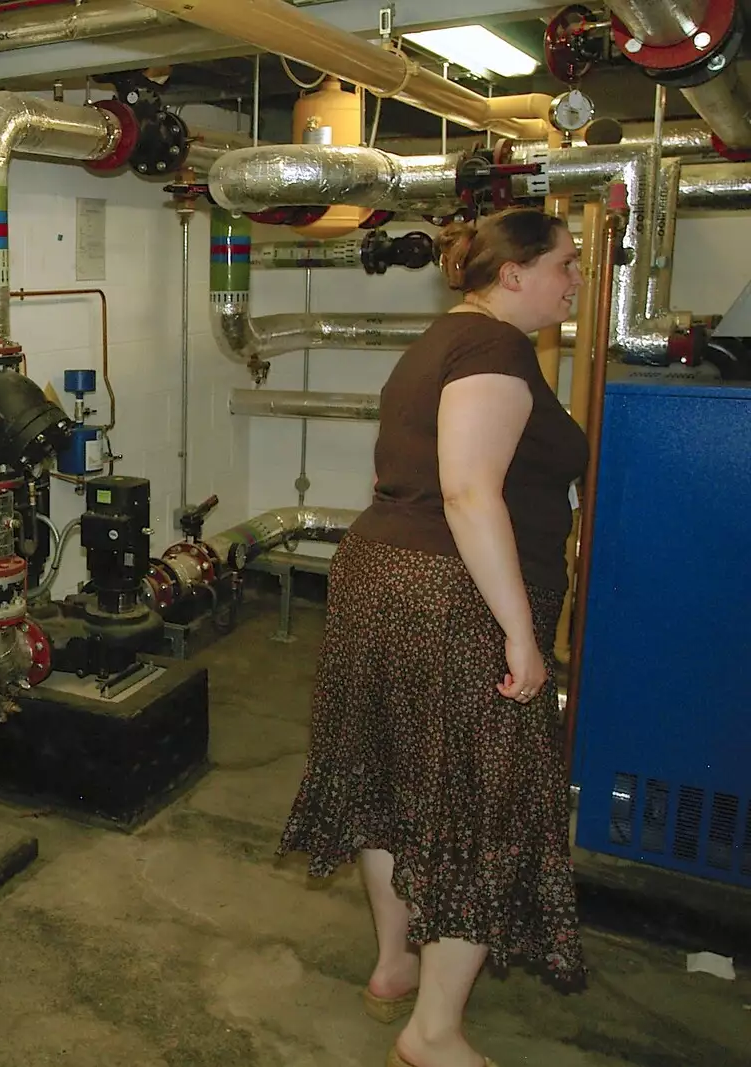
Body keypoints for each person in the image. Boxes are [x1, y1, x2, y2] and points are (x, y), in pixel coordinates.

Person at [276, 207, 590, 1067]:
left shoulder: (442, 338)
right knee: (480, 806)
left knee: (392, 777)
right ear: (514, 273)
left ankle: (393, 966)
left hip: (383, 576)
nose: (577, 281)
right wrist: (521, 636)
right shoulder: (494, 350)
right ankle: (434, 1031)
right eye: (566, 264)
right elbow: (467, 493)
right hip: (452, 597)